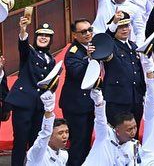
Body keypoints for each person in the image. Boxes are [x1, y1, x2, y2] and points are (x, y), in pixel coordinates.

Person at [7, 15, 56, 166]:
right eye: (41, 35)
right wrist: (23, 30)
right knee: (20, 142)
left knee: (36, 142)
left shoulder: (52, 60)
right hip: (24, 104)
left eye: (47, 36)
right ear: (35, 37)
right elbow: (23, 45)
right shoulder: (29, 53)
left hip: (39, 106)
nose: (43, 38)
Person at [60, 18, 95, 165]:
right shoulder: (73, 51)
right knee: (78, 144)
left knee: (86, 142)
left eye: (89, 30)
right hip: (76, 105)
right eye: (83, 31)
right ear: (75, 35)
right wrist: (88, 58)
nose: (87, 33)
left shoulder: (92, 47)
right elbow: (77, 73)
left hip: (88, 104)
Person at [103, 12, 146, 126]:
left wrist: (143, 91)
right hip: (118, 98)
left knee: (134, 132)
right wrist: (113, 23)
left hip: (135, 97)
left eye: (126, 26)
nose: (124, 29)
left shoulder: (133, 46)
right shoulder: (110, 45)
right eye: (120, 27)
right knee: (118, 133)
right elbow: (104, 41)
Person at [84, 87, 140, 165]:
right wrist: (99, 102)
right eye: (129, 129)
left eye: (135, 127)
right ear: (117, 131)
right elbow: (100, 120)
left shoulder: (134, 146)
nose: (133, 132)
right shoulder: (104, 135)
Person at [25, 90, 68, 165]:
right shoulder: (37, 152)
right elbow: (45, 133)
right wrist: (49, 110)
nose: (65, 136)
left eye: (66, 132)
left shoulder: (64, 155)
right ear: (50, 136)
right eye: (60, 133)